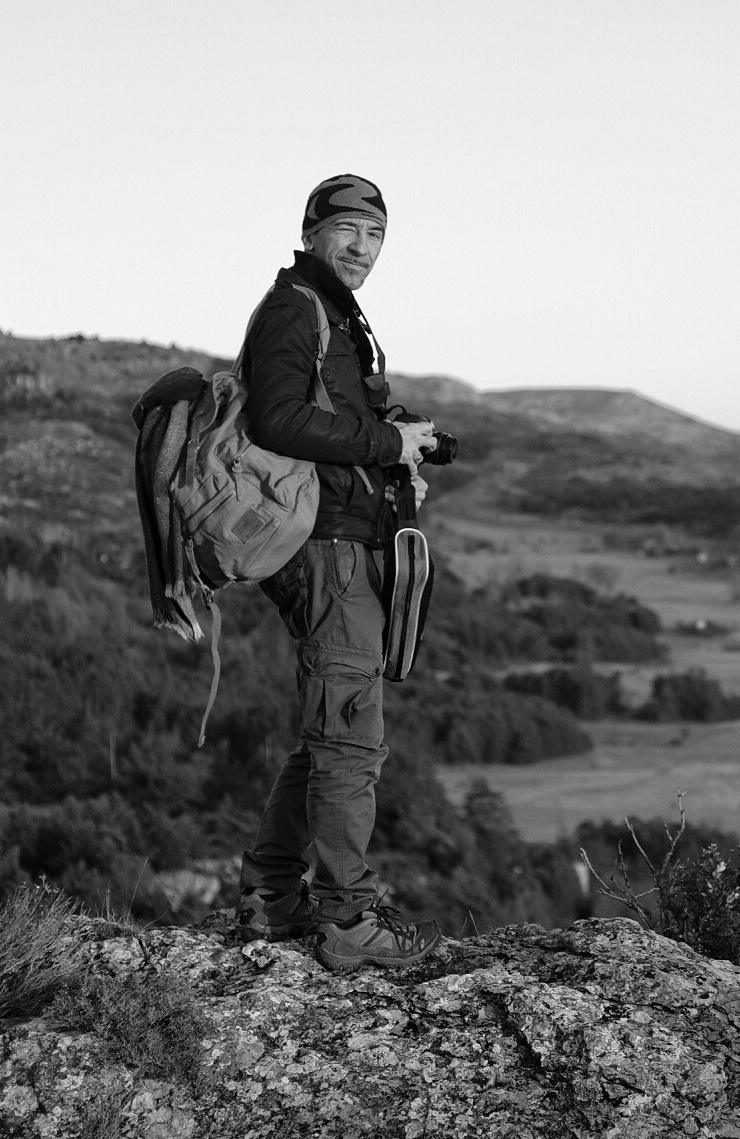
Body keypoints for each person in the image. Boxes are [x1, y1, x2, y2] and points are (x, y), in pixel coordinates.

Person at [235, 174, 443, 971]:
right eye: (349, 230)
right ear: (314, 232)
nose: (363, 247)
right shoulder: (297, 307)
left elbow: (323, 417)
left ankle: (272, 893)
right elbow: (277, 417)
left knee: (329, 731)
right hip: (323, 549)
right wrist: (385, 445)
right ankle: (349, 924)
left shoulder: (334, 313)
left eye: (376, 235)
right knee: (350, 740)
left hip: (342, 544)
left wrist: (400, 436)